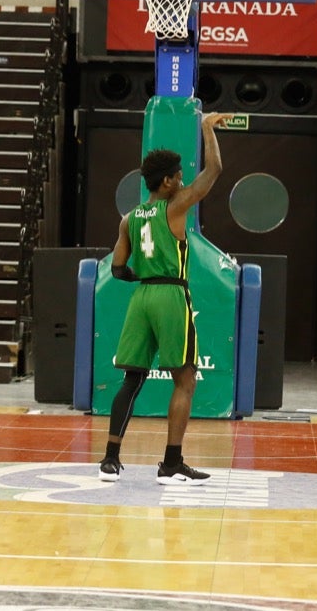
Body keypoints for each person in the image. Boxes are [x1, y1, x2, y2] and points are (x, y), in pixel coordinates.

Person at [98, 112, 232, 485]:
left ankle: (110, 459)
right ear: (168, 181)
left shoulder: (129, 218)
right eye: (178, 175)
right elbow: (215, 169)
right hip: (171, 294)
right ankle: (171, 463)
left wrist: (147, 274)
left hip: (141, 297)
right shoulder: (176, 206)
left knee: (131, 380)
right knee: (185, 380)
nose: (183, 180)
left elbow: (118, 269)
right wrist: (207, 127)